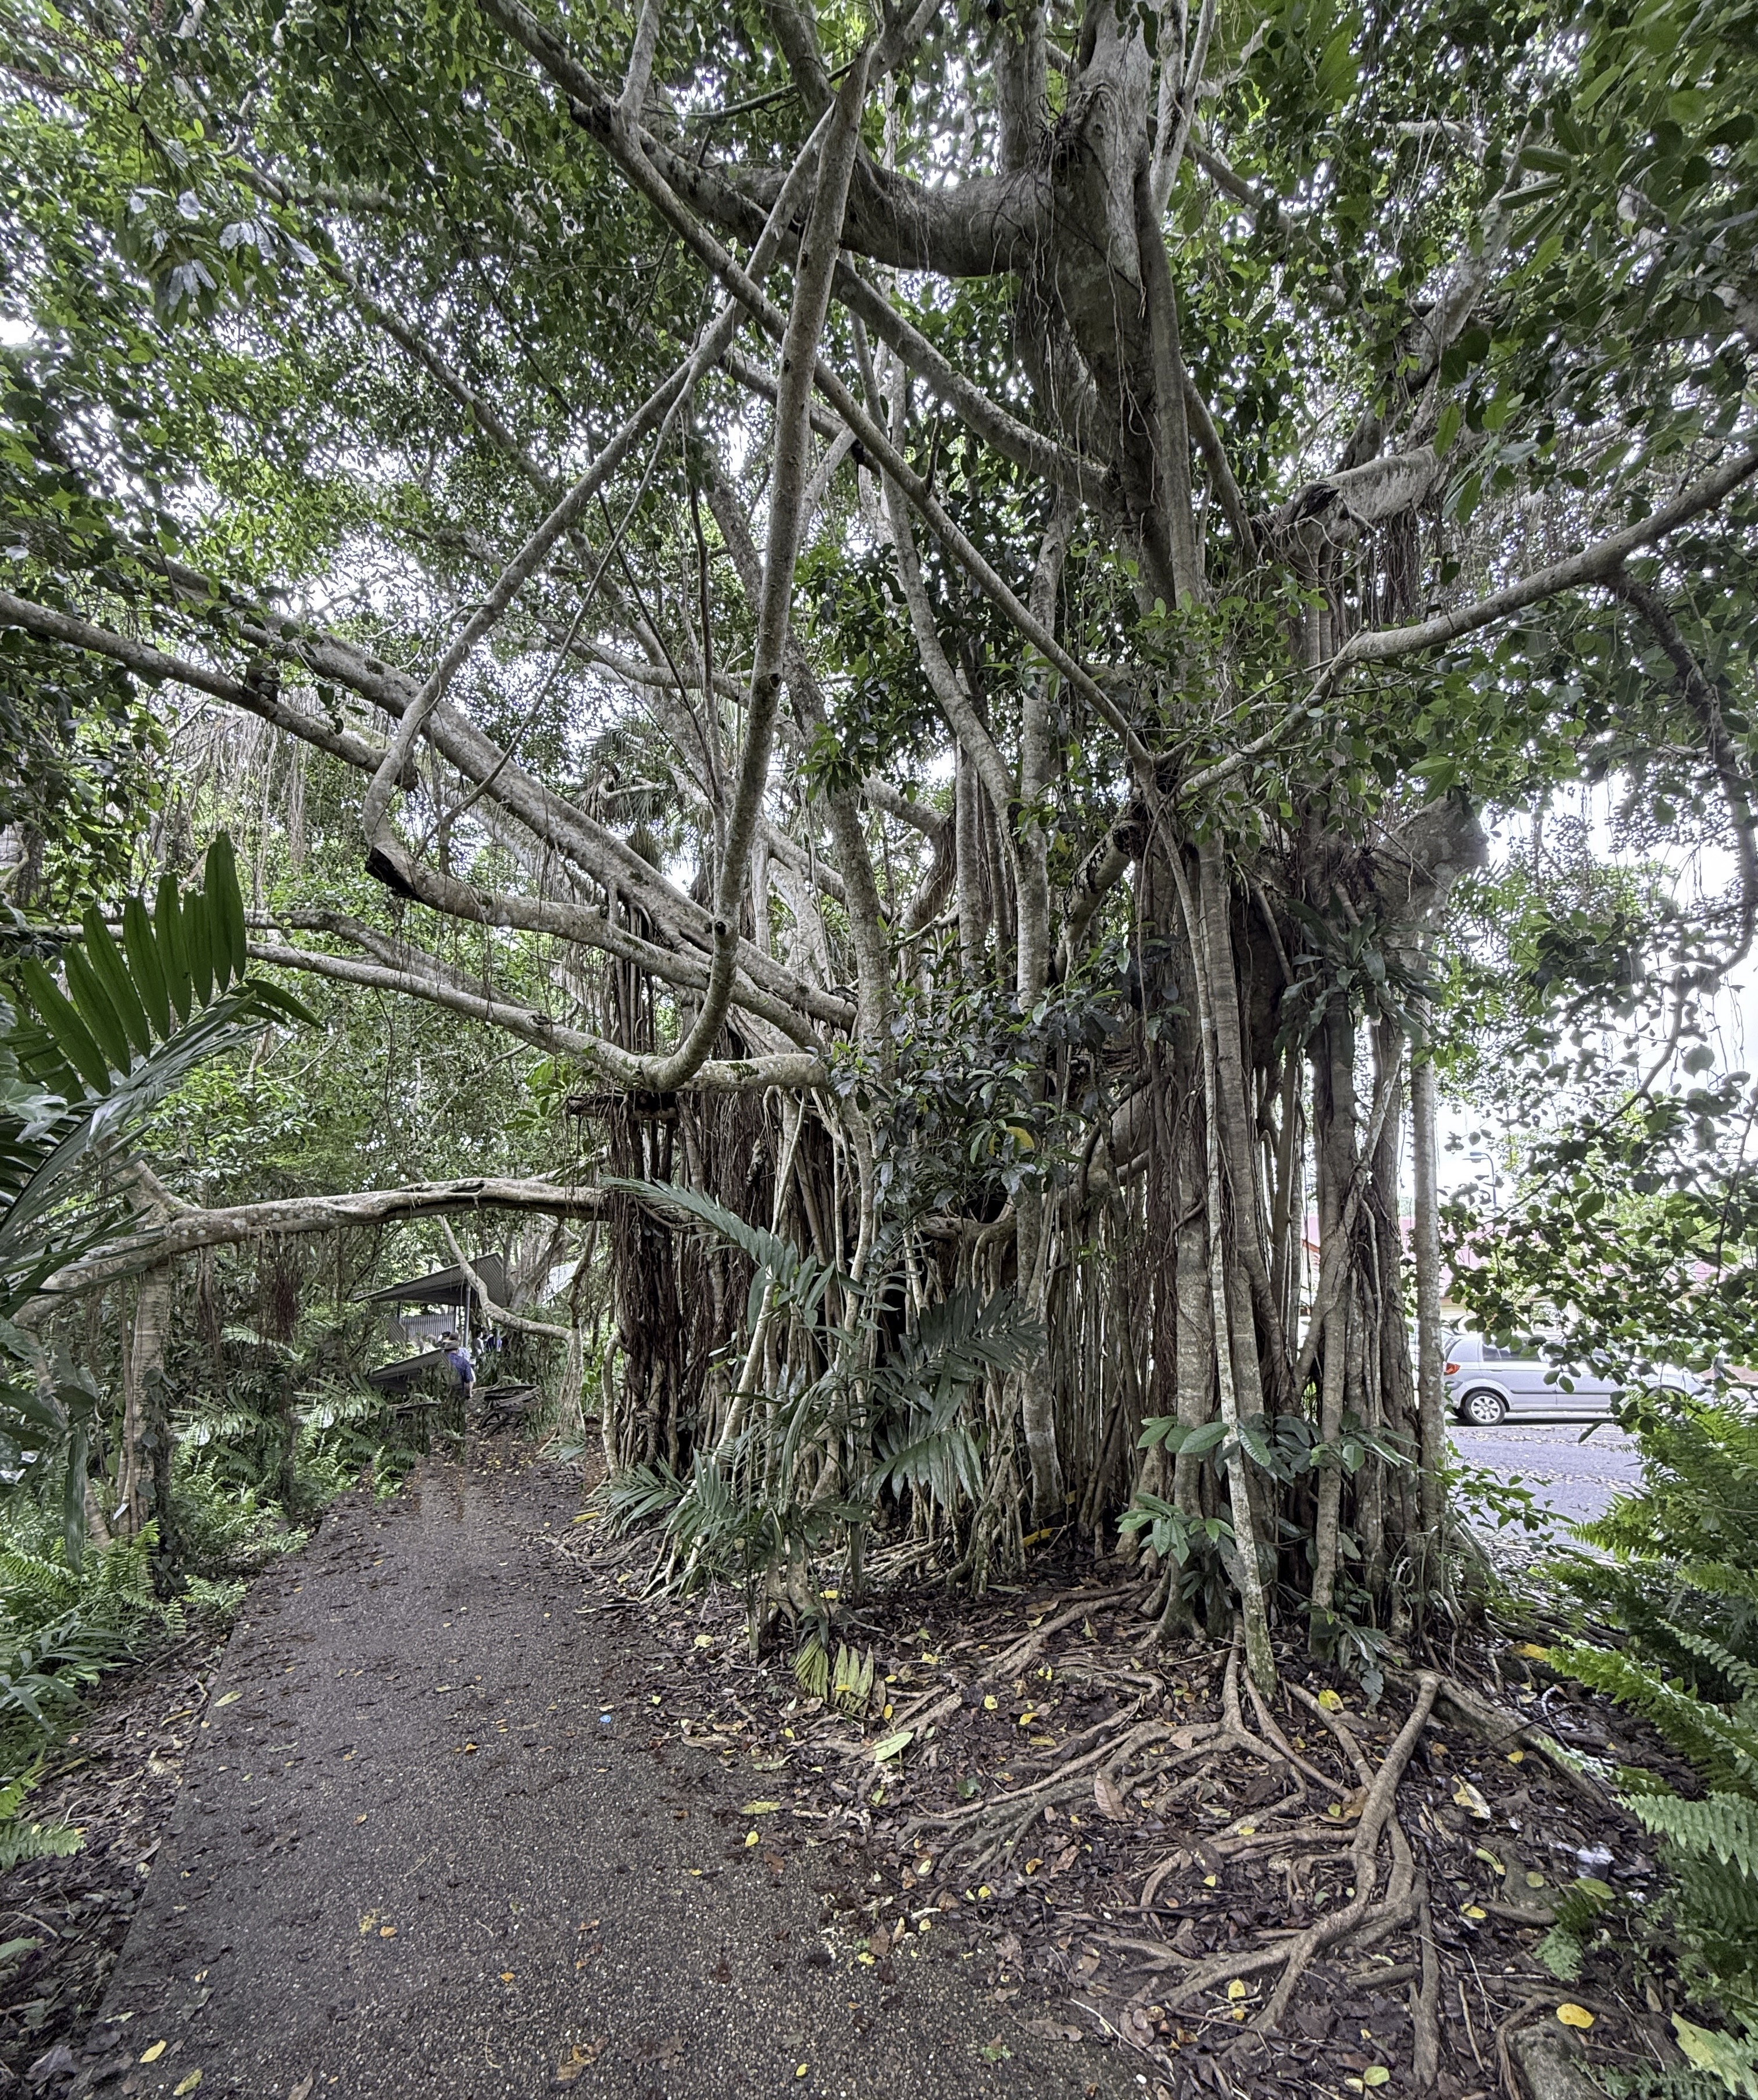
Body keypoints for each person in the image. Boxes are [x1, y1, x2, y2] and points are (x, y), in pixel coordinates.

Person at [439, 1330, 475, 1400]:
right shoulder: (464, 1362)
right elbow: (468, 1382)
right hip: (457, 1397)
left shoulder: (440, 1361)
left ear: (445, 1350)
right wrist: (468, 1394)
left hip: (440, 1396)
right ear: (457, 1350)